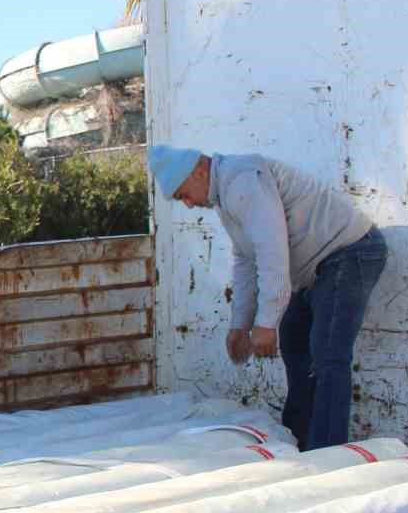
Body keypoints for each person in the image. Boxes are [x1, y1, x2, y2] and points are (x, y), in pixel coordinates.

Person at [148, 145, 387, 450]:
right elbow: (247, 260)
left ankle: (328, 453)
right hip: (317, 266)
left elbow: (271, 251)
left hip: (349, 252)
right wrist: (240, 324)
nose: (189, 204)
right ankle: (296, 443)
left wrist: (265, 322)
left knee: (328, 355)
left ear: (198, 170)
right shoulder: (225, 195)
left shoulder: (243, 179)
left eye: (184, 194)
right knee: (295, 348)